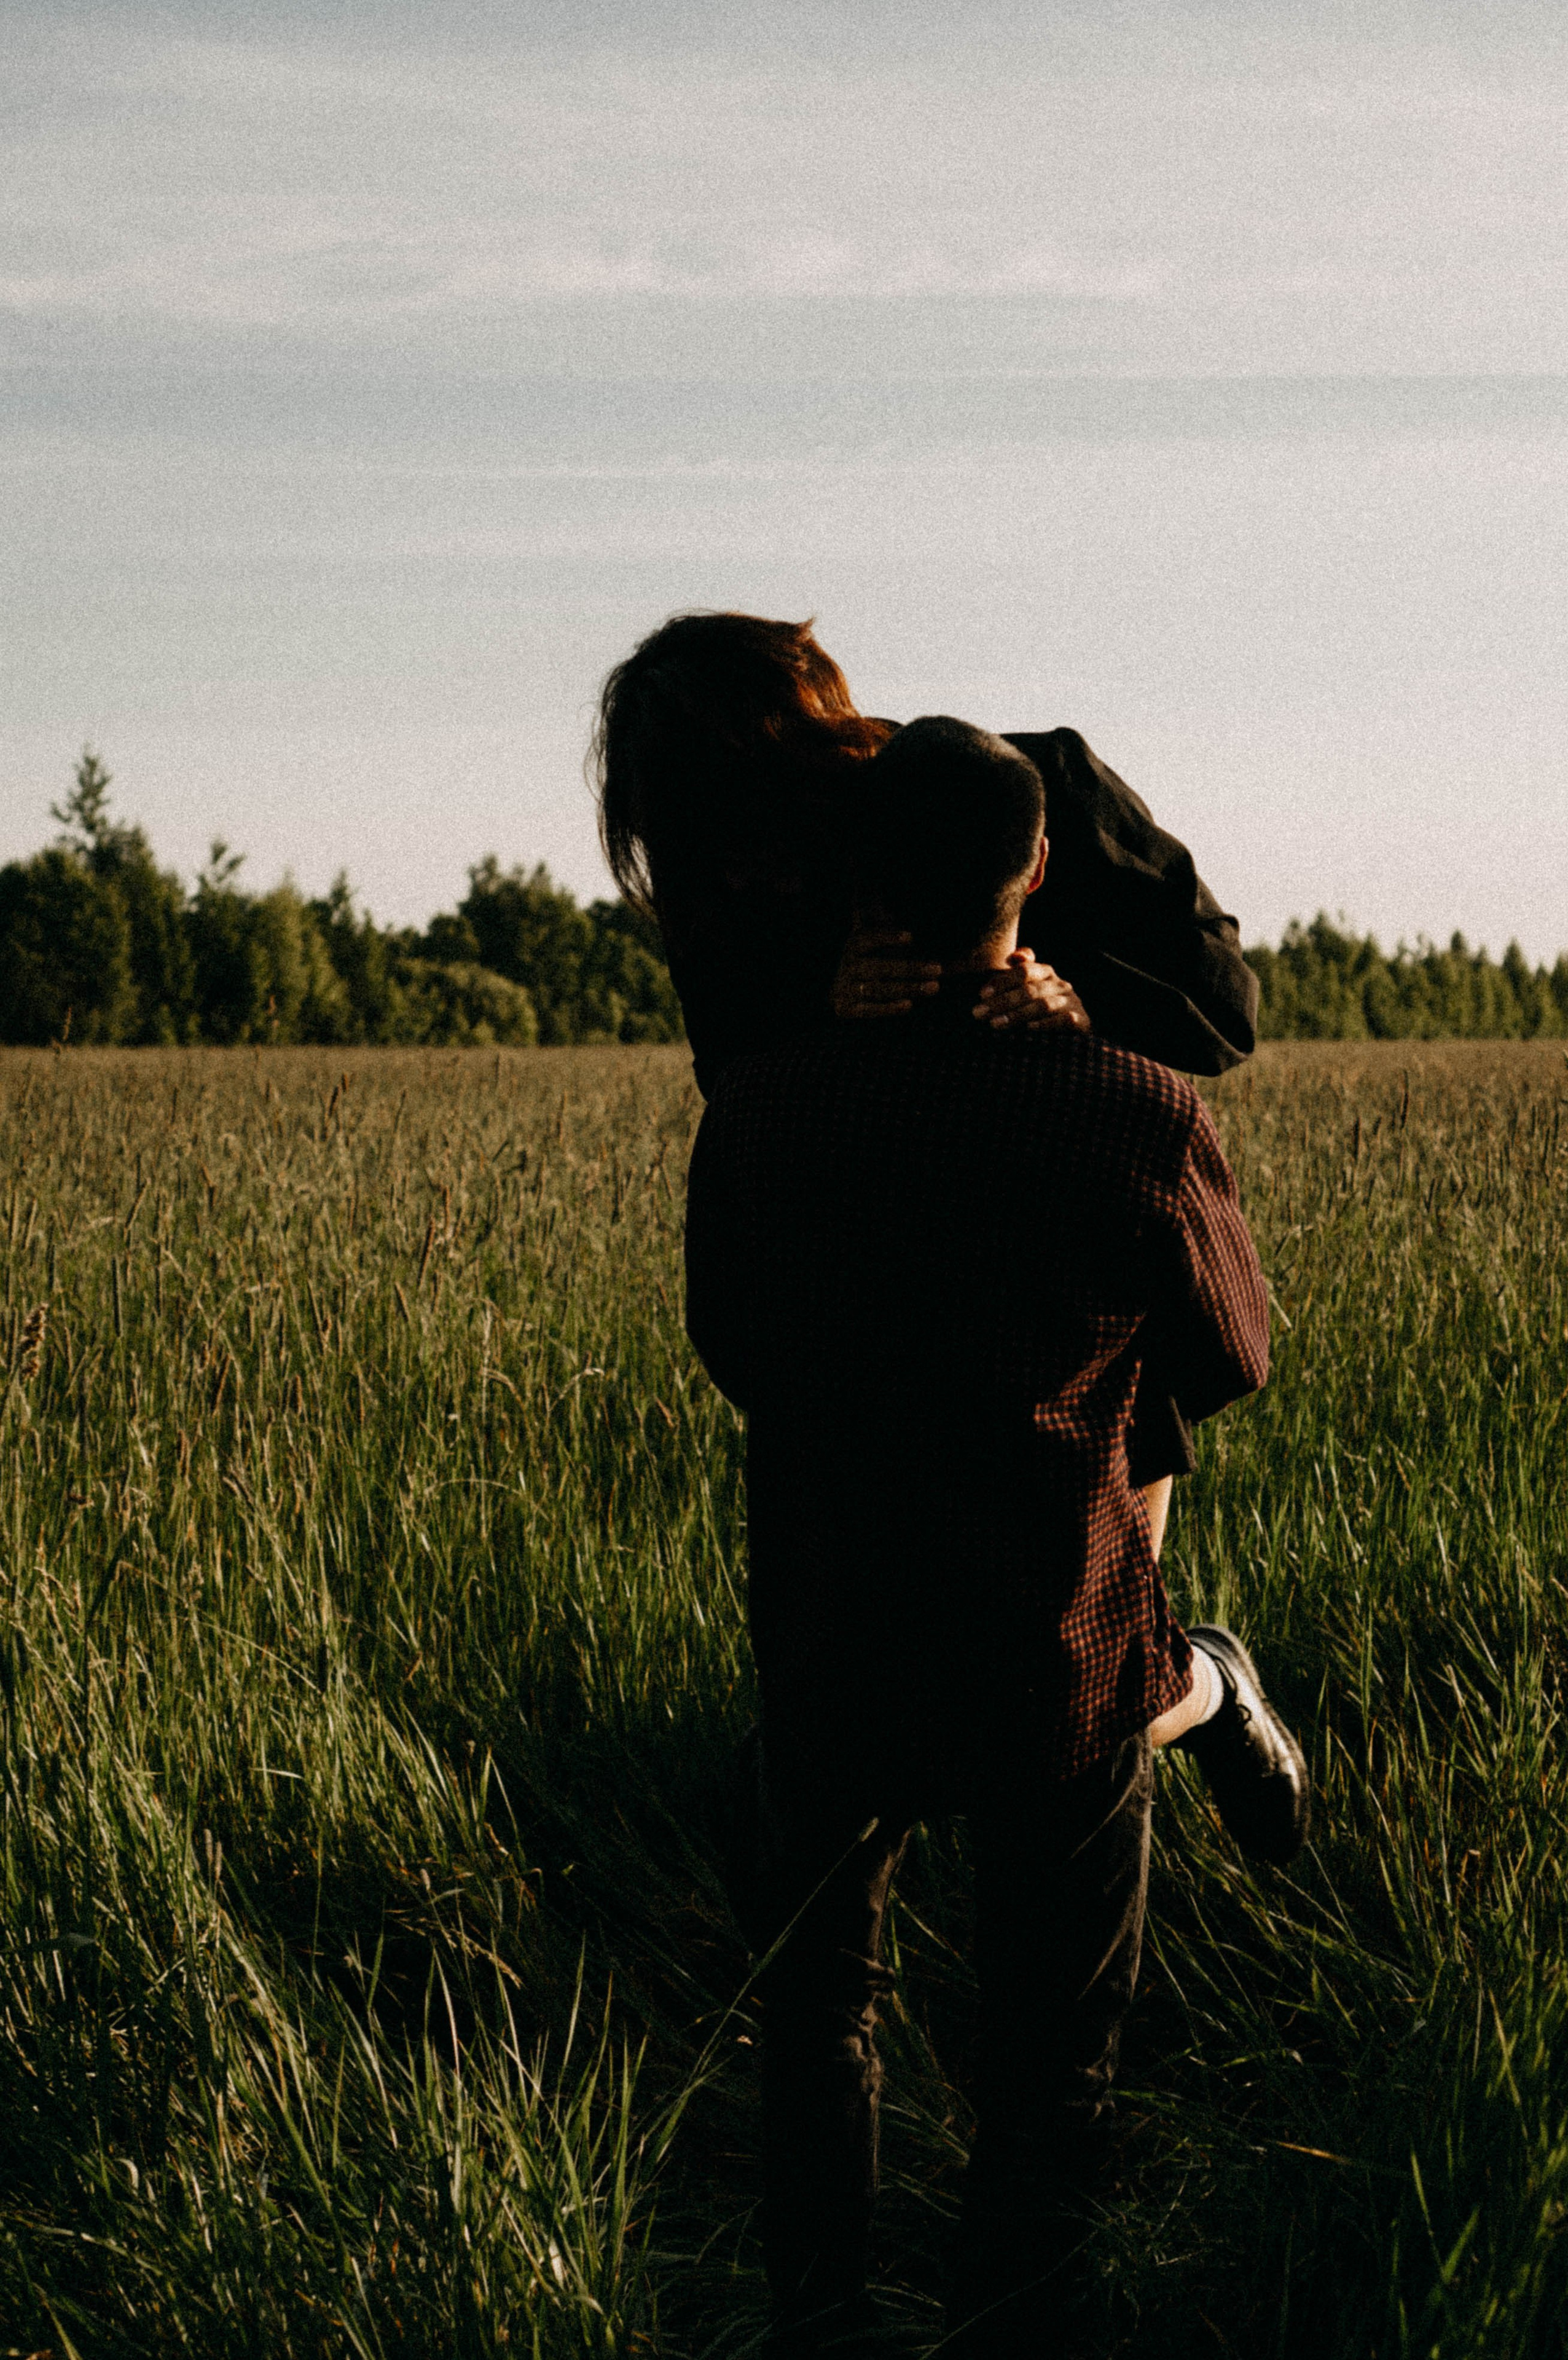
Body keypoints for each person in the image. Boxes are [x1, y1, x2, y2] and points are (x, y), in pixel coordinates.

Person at [683, 718, 1307, 2354]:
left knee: (817, 2021)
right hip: (1067, 1640)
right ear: (1036, 871)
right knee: (1051, 2072)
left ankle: (820, 2321)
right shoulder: (1131, 1107)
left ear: (852, 888)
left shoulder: (759, 1111)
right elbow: (1235, 1359)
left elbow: (734, 1347)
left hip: (829, 1630)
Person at [594, 609, 1258, 1554]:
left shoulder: (1032, 793)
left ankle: (1136, 1650)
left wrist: (1083, 1008)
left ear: (813, 758)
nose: (740, 877)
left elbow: (1224, 1000)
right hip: (877, 1271)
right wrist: (818, 1009)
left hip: (1073, 1267)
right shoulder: (718, 884)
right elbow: (731, 1088)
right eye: (701, 850)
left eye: (747, 828)